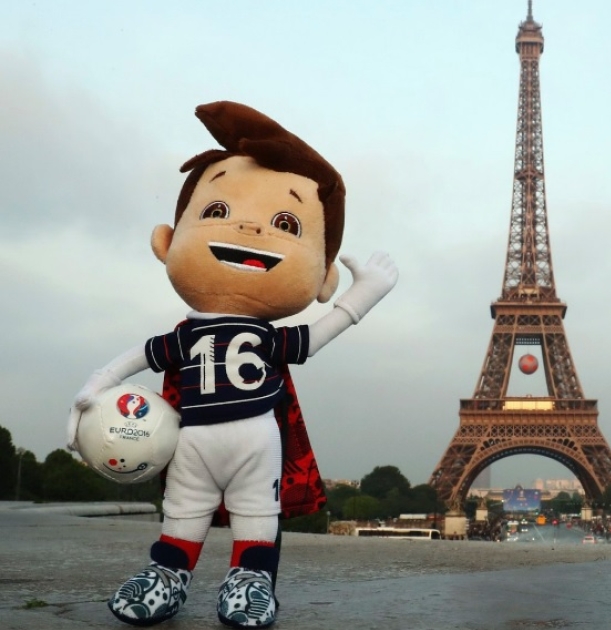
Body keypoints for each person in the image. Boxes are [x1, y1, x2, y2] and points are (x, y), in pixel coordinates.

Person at [66, 101, 398, 628]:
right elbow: (144, 356)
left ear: (323, 279)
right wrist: (97, 387)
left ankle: (247, 581)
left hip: (248, 444)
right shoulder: (188, 335)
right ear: (167, 242)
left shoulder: (251, 336)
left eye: (285, 223)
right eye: (217, 211)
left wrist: (363, 296)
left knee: (254, 515)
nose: (247, 229)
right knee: (185, 513)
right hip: (199, 445)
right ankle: (171, 575)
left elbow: (314, 336)